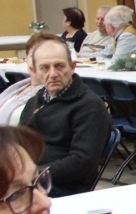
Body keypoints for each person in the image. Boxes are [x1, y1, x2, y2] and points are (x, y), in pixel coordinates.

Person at [17, 35, 111, 197]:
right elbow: (18, 144)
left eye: (59, 66)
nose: (53, 74)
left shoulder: (89, 107)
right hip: (30, 179)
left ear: (73, 67)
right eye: (45, 68)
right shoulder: (35, 102)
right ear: (34, 71)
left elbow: (82, 162)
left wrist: (33, 174)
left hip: (64, 187)